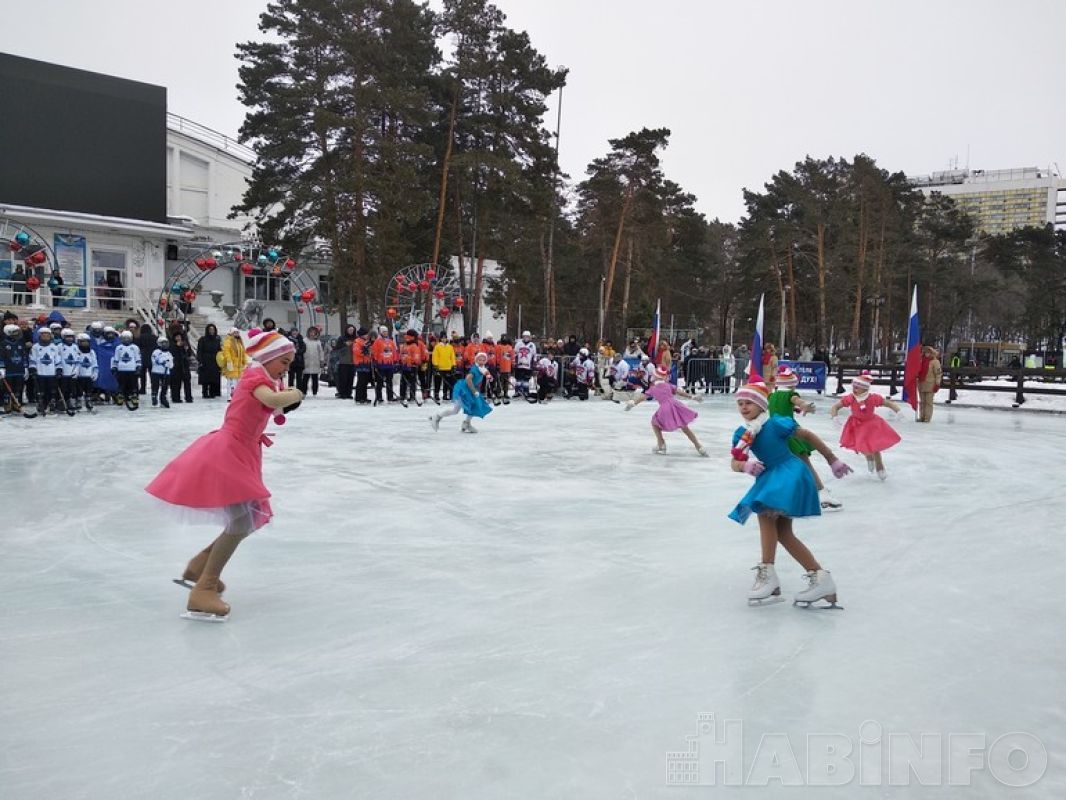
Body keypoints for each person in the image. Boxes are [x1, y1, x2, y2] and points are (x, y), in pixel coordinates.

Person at [146, 330, 304, 621]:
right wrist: (295, 393)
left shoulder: (267, 378)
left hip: (244, 452)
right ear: (268, 358)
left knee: (251, 518)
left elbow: (274, 404)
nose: (287, 368)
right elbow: (271, 399)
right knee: (243, 520)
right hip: (229, 452)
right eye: (284, 361)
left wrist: (285, 395)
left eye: (289, 362)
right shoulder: (255, 377)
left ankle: (200, 566)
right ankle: (203, 589)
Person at [729, 381, 852, 608]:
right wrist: (744, 467)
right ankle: (820, 578)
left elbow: (807, 436)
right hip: (770, 478)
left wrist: (831, 458)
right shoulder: (743, 433)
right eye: (740, 403)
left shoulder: (775, 424)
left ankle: (768, 572)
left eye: (749, 403)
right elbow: (735, 461)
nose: (744, 407)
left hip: (788, 472)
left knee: (764, 511)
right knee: (783, 532)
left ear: (761, 405)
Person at [769, 366, 842, 512]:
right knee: (805, 463)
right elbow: (797, 401)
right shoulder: (791, 394)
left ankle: (783, 495)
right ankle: (822, 494)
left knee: (782, 466)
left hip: (774, 433)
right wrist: (805, 406)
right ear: (791, 384)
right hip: (790, 431)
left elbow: (777, 408)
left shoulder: (772, 396)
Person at [828, 370, 902, 480]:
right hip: (857, 425)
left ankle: (880, 467)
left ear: (865, 388)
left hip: (872, 425)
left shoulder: (872, 398)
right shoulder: (851, 398)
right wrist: (834, 417)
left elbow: (888, 403)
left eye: (857, 387)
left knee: (875, 447)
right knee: (862, 447)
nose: (854, 389)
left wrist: (898, 411)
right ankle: (869, 458)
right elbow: (835, 407)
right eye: (853, 387)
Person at [625, 365, 707, 456]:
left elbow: (642, 397)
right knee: (685, 428)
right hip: (675, 405)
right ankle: (699, 446)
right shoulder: (668, 385)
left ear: (655, 377)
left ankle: (661, 444)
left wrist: (633, 403)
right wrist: (692, 397)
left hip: (665, 407)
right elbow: (680, 392)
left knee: (654, 423)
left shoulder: (653, 389)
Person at [429, 350, 493, 433]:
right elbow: (468, 379)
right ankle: (436, 416)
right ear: (476, 360)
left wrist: (490, 377)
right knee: (455, 410)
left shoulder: (482, 369)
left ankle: (466, 423)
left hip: (470, 390)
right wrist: (474, 391)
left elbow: (486, 373)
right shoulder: (475, 369)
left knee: (474, 406)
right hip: (464, 390)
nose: (482, 361)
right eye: (480, 360)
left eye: (483, 360)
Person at [29, 326, 61, 416]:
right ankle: (41, 404)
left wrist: (59, 369)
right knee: (41, 391)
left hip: (51, 373)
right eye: (43, 335)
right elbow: (32, 359)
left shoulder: (54, 347)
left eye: (47, 335)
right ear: (40, 336)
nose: (45, 336)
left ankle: (52, 404)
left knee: (52, 390)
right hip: (40, 373)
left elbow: (57, 359)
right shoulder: (35, 347)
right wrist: (32, 369)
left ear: (50, 336)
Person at [112, 329, 142, 410]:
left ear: (131, 338)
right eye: (124, 338)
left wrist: (138, 367)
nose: (126, 340)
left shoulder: (134, 347)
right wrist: (114, 367)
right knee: (121, 385)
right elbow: (116, 358)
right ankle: (120, 396)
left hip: (132, 369)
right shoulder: (119, 348)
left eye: (128, 338)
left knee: (133, 385)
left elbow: (137, 358)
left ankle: (134, 396)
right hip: (121, 369)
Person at [217, 328, 248, 400]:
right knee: (231, 381)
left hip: (239, 365)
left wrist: (245, 361)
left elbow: (243, 352)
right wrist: (229, 361)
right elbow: (226, 352)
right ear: (231, 333)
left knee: (237, 381)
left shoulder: (239, 341)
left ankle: (236, 395)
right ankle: (229, 396)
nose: (236, 334)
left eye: (237, 332)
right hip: (231, 364)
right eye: (235, 332)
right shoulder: (228, 341)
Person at [371, 325, 398, 405]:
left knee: (389, 381)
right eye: (384, 332)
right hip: (381, 364)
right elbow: (374, 352)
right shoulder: (377, 342)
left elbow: (394, 351)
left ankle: (390, 396)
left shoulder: (390, 341)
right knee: (380, 382)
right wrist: (375, 361)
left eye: (386, 332)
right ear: (381, 333)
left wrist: (395, 361)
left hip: (389, 364)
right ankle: (379, 397)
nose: (385, 333)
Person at [72, 333, 98, 413]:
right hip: (80, 375)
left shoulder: (91, 352)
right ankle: (78, 401)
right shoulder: (76, 351)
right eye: (83, 342)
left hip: (88, 374)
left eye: (86, 342)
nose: (85, 344)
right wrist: (75, 371)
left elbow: (94, 363)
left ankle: (88, 401)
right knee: (78, 390)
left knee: (89, 389)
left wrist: (95, 371)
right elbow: (76, 362)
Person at [196, 323, 223, 398]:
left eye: (213, 329)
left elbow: (219, 350)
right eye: (210, 329)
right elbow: (199, 350)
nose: (212, 331)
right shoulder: (202, 339)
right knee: (205, 377)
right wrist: (200, 360)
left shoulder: (217, 340)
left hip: (215, 360)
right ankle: (205, 392)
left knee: (213, 377)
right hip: (205, 360)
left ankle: (212, 392)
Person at [917, 345, 942, 423]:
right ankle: (921, 416)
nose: (926, 354)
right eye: (925, 352)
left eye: (928, 352)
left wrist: (937, 384)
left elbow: (938, 374)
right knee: (922, 402)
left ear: (932, 353)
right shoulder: (921, 360)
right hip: (921, 384)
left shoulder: (935, 362)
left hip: (930, 384)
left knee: (928, 402)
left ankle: (927, 418)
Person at [169, 331, 194, 404]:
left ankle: (188, 397)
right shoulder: (172, 345)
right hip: (176, 366)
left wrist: (186, 349)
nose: (178, 338)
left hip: (184, 365)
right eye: (176, 337)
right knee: (176, 383)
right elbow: (172, 353)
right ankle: (176, 397)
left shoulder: (185, 344)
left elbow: (189, 354)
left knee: (187, 382)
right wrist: (177, 346)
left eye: (179, 337)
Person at [431, 331, 455, 404]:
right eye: (442, 338)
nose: (444, 339)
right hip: (440, 367)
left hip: (448, 367)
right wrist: (435, 365)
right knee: (437, 382)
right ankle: (436, 394)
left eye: (445, 338)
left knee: (447, 382)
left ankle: (445, 395)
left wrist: (453, 365)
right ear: (440, 339)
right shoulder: (437, 347)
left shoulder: (450, 347)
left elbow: (452, 356)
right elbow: (435, 356)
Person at [334, 324, 357, 399]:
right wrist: (345, 345)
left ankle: (349, 393)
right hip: (343, 361)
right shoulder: (341, 338)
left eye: (352, 330)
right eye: (350, 330)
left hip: (352, 361)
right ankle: (342, 393)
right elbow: (336, 348)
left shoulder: (356, 338)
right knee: (343, 379)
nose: (351, 331)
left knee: (351, 378)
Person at [150, 336, 173, 408]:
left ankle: (163, 398)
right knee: (155, 385)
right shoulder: (156, 352)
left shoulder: (169, 353)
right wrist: (161, 362)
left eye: (166, 343)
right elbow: (154, 360)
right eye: (163, 343)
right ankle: (154, 396)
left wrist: (168, 365)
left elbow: (171, 364)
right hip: (156, 372)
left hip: (166, 373)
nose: (165, 345)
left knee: (165, 386)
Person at [301, 326, 325, 396]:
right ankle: (304, 391)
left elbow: (321, 351)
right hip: (306, 361)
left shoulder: (317, 341)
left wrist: (321, 360)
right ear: (308, 332)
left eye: (314, 332)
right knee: (305, 378)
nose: (312, 333)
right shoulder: (304, 340)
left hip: (315, 362)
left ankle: (315, 391)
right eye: (311, 332)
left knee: (315, 378)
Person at [513, 331, 537, 398]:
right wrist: (514, 362)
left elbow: (534, 355)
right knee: (518, 379)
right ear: (523, 337)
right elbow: (515, 354)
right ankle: (517, 391)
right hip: (519, 365)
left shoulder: (532, 345)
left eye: (527, 336)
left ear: (530, 337)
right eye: (525, 336)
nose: (526, 338)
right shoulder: (519, 344)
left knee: (526, 380)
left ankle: (526, 391)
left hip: (528, 366)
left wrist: (534, 363)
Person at [136, 323, 157, 396]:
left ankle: (143, 389)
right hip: (152, 357)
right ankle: (154, 388)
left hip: (143, 356)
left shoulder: (139, 337)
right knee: (152, 374)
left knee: (142, 375)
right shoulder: (154, 337)